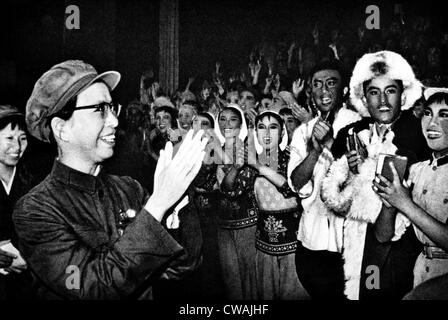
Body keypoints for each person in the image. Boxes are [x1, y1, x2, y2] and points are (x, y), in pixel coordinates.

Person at [13, 60, 208, 299]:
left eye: (112, 108)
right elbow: (91, 287)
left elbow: (182, 266)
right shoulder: (36, 210)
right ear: (61, 128)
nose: (114, 121)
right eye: (99, 110)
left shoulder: (129, 189)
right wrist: (158, 204)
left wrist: (180, 197)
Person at [328, 50, 430, 300]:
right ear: (363, 97)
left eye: (390, 91)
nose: (383, 100)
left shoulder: (423, 134)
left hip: (402, 250)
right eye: (374, 92)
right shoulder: (349, 135)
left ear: (403, 95)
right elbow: (335, 201)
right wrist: (355, 174)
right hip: (356, 245)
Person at [287, 60, 361, 299]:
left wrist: (331, 143)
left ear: (344, 90)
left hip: (349, 241)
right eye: (317, 85)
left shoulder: (359, 124)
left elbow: (363, 178)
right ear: (310, 92)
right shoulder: (302, 131)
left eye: (331, 83)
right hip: (312, 240)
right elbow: (295, 183)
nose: (324, 91)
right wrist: (315, 151)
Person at [373, 87, 448, 289]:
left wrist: (405, 204)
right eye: (427, 113)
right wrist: (390, 202)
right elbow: (382, 236)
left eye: (444, 115)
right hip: (420, 274)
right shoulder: (415, 170)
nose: (432, 123)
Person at [249, 110, 309, 299]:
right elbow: (231, 191)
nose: (266, 133)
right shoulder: (251, 160)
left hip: (292, 244)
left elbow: (290, 188)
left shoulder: (292, 158)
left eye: (273, 128)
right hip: (264, 243)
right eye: (261, 128)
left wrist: (259, 167)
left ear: (282, 133)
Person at [0, 105, 34, 300]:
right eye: (10, 138)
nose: (18, 147)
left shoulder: (34, 181)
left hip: (26, 285)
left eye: (23, 138)